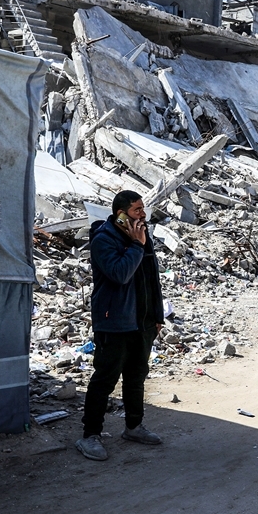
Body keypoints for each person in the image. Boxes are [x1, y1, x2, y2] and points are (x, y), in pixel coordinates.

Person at [76, 190, 166, 461]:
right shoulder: (104, 239)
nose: (143, 216)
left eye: (143, 210)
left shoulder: (141, 235)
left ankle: (134, 426)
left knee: (136, 376)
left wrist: (157, 316)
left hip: (142, 323)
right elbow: (120, 274)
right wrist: (136, 246)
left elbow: (152, 279)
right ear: (121, 214)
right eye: (137, 211)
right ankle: (90, 436)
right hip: (113, 321)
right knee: (105, 379)